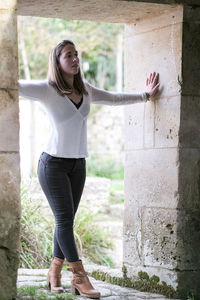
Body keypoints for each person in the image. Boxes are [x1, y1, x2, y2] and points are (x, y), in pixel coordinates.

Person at [18, 39, 160, 299]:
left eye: (76, 54)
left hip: (78, 164)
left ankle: (54, 273)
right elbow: (13, 86)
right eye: (68, 55)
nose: (75, 59)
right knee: (63, 220)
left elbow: (115, 98)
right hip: (52, 165)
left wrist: (145, 95)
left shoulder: (86, 90)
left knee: (66, 221)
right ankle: (80, 277)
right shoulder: (47, 89)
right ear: (57, 62)